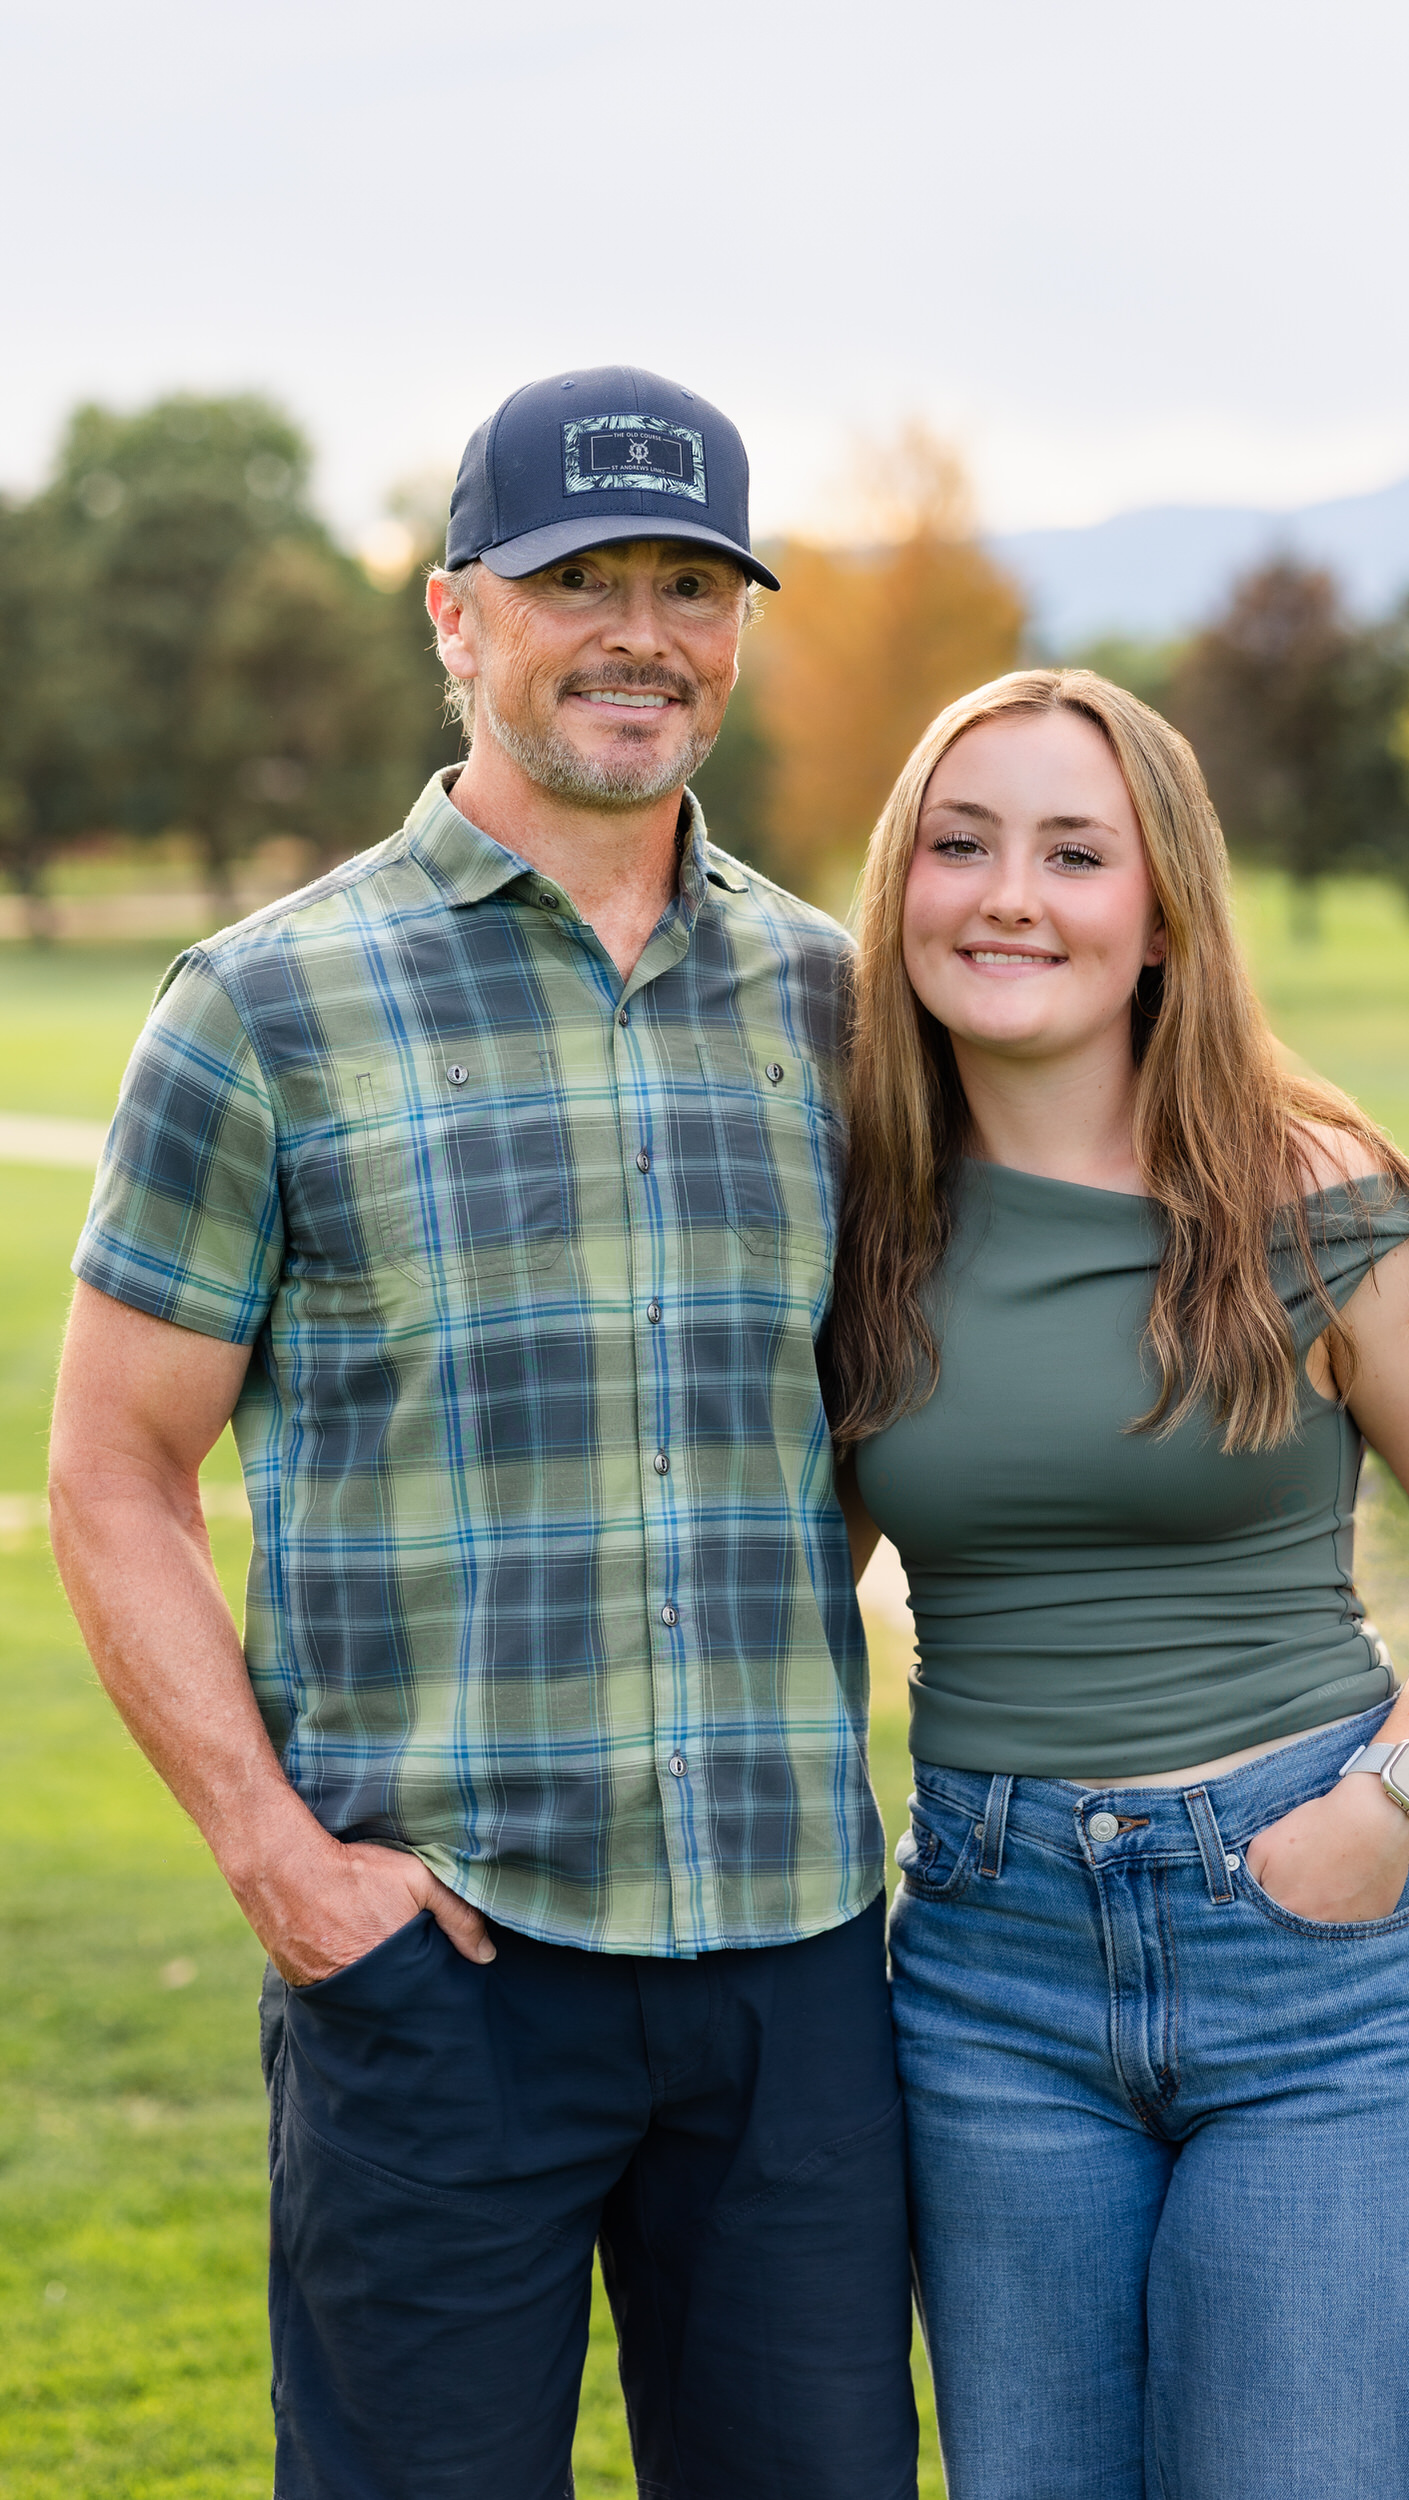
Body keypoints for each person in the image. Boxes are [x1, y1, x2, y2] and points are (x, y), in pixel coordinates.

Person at [49, 367, 917, 2500]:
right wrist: (278, 1860)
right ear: (454, 615)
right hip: (439, 1974)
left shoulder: (835, 1000)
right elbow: (114, 1471)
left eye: (689, 584)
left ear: (736, 624)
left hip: (791, 1966)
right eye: (577, 580)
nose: (642, 630)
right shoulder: (261, 1008)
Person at [826, 667, 1409, 2500]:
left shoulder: (1315, 1200)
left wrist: (1384, 1814)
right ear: (900, 888)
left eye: (1074, 854)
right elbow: (779, 1571)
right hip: (991, 1968)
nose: (1011, 894)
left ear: (1162, 914)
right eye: (964, 843)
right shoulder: (855, 1220)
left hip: (1312, 1941)